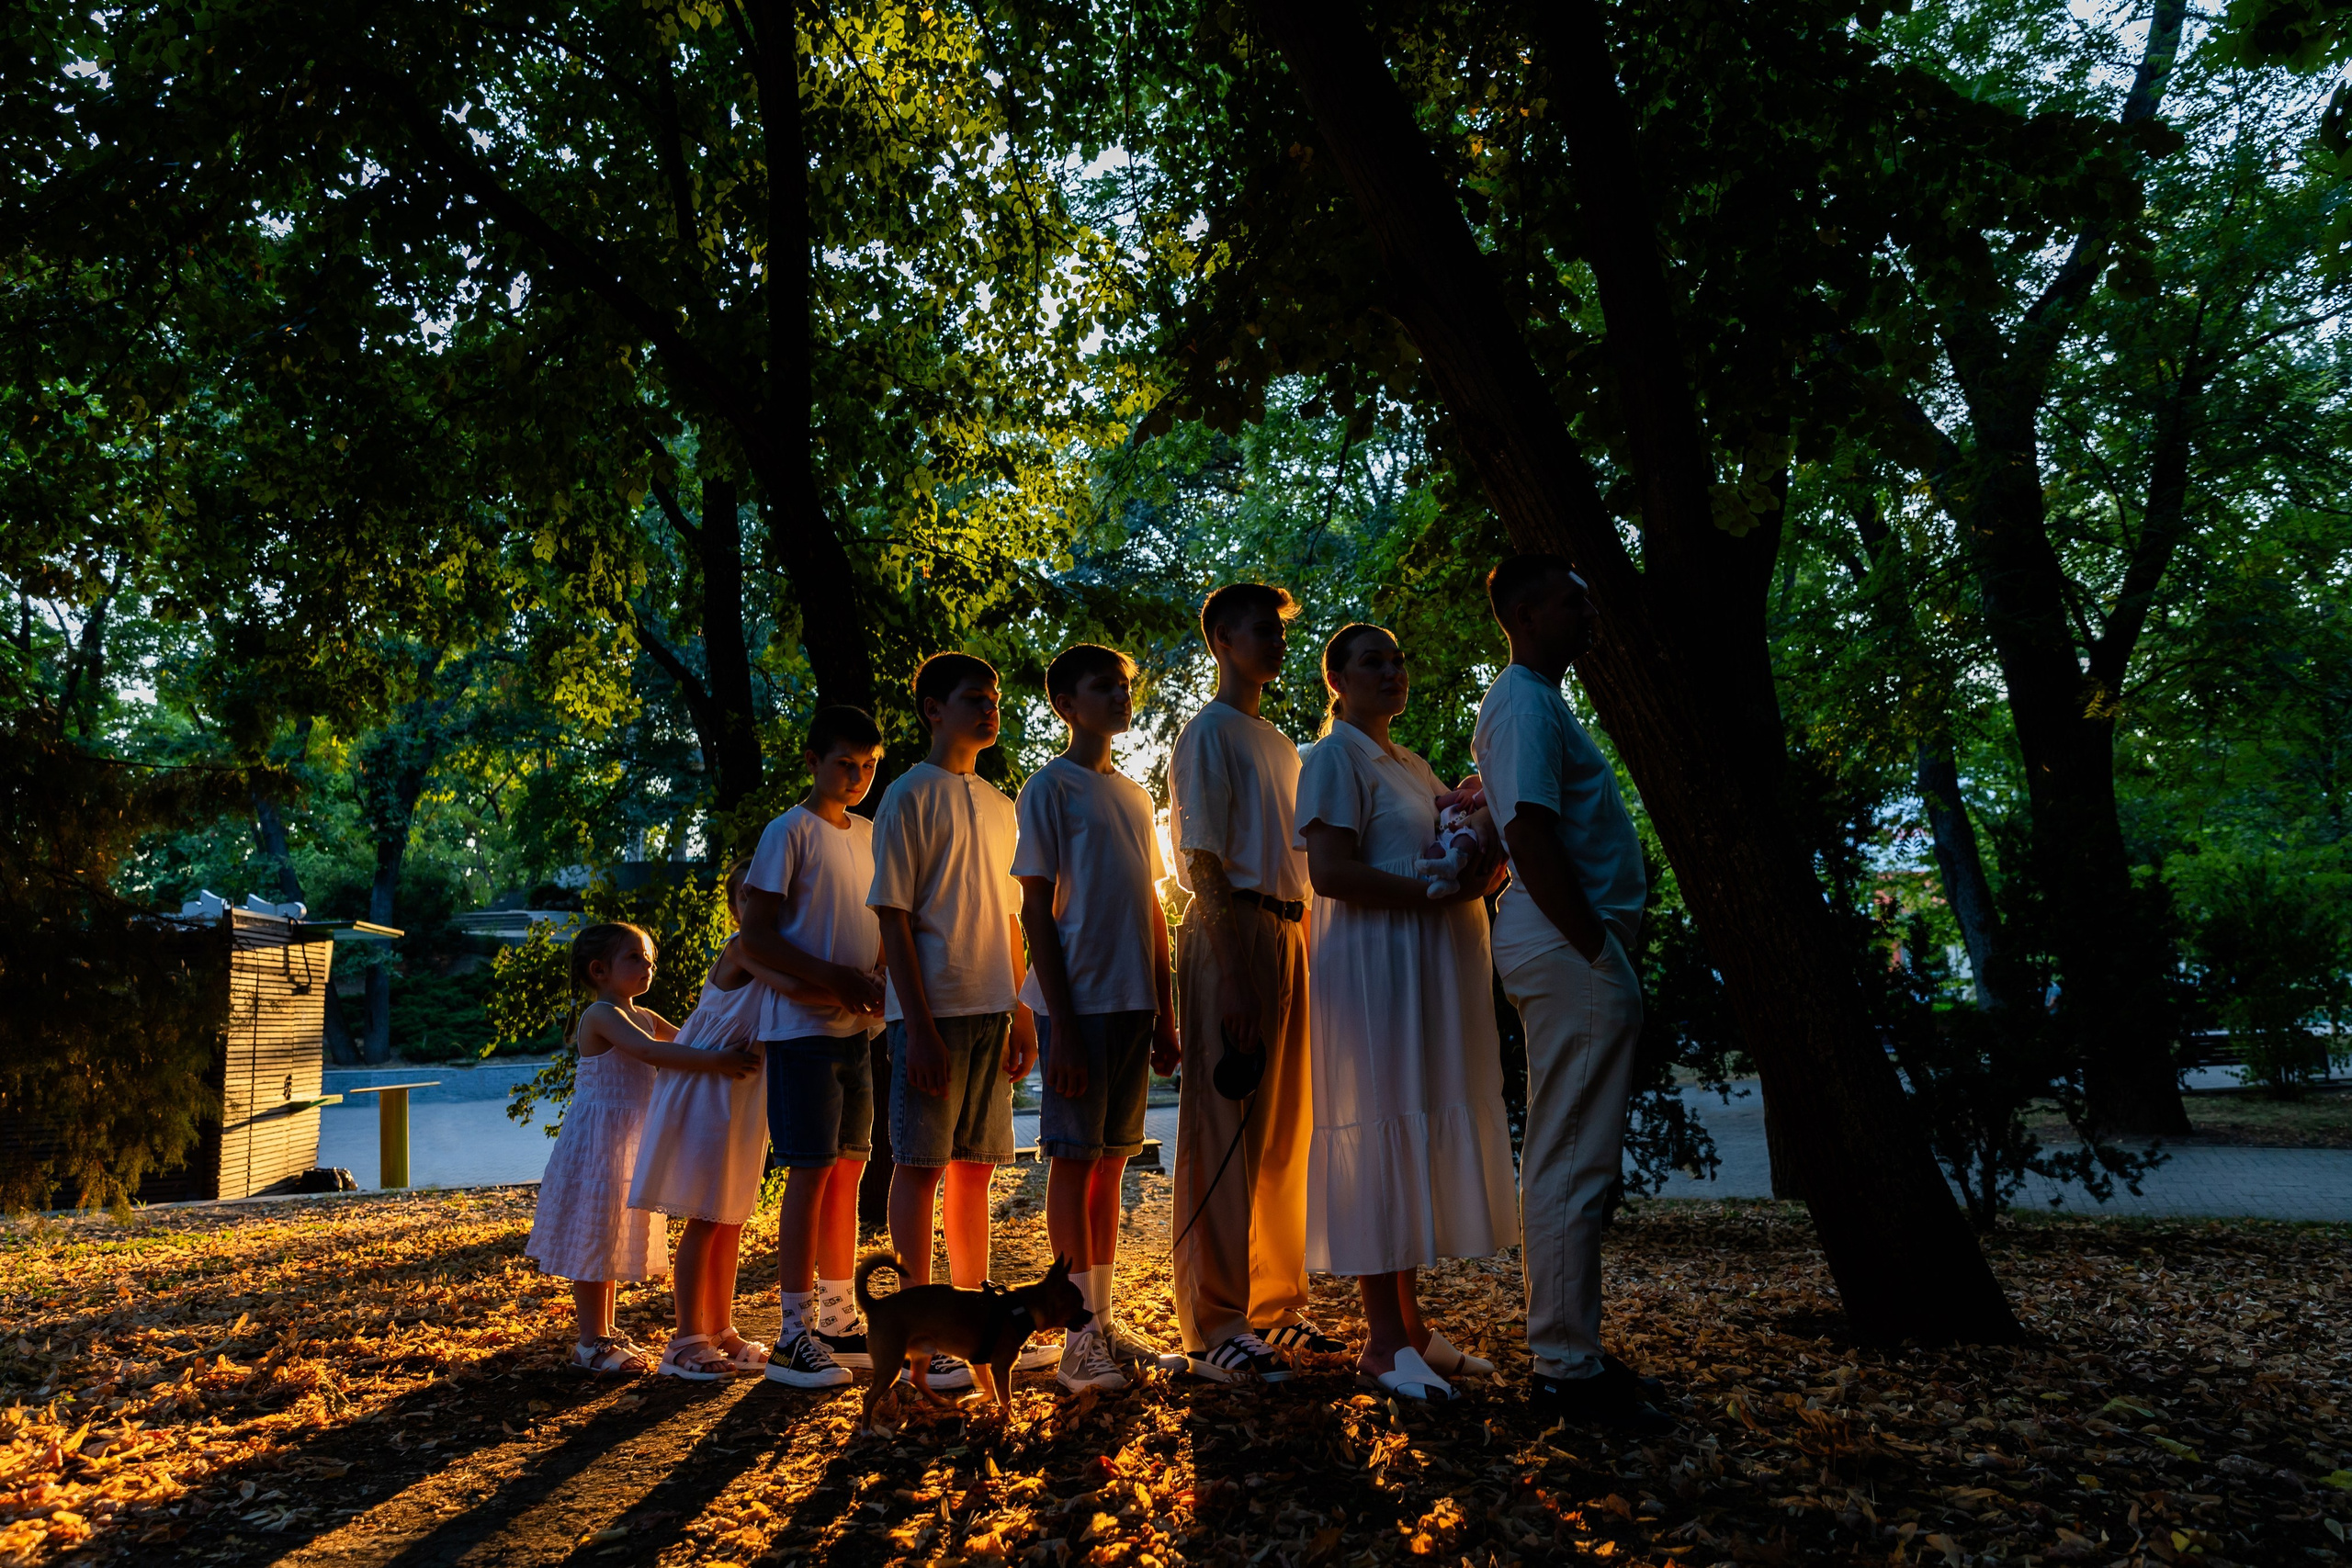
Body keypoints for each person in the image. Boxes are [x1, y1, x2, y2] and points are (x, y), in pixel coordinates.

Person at [1295, 623, 1519, 1402]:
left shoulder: (1414, 763)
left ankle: (1413, 1327)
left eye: (1398, 659)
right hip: (1375, 967)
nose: (1392, 671)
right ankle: (1382, 1342)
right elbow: (1330, 872)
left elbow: (1449, 848)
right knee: (1382, 1122)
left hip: (1426, 967)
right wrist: (1431, 893)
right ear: (1337, 679)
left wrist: (1478, 863)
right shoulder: (1333, 758)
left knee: (1414, 1123)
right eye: (1373, 661)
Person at [1472, 555, 1667, 1430]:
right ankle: (1563, 1370)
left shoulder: (1538, 701)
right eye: (1570, 601)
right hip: (1568, 949)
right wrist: (1595, 945)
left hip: (1572, 948)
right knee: (1571, 1157)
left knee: (1576, 1155)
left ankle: (1572, 1350)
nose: (1590, 613)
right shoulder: (1521, 700)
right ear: (1523, 614)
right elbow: (1527, 830)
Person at [1166, 581, 1342, 1382]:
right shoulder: (1208, 732)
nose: (1277, 640)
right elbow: (1201, 858)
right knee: (1224, 1127)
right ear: (1222, 641)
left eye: (1280, 629)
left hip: (1288, 930)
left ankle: (1276, 1306)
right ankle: (1216, 1322)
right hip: (1229, 930)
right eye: (1262, 629)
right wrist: (1234, 975)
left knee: (1283, 1131)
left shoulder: (1279, 743)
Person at [869, 652, 1054, 1387]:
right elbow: (892, 915)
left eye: (995, 697)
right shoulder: (907, 795)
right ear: (932, 710)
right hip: (933, 1014)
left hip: (991, 1009)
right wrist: (915, 1025)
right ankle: (919, 1337)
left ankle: (974, 1323)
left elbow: (1012, 918)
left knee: (976, 1169)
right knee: (919, 1168)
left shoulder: (1002, 804)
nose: (990, 707)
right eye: (975, 697)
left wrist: (1022, 1008)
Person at [1014, 643, 1181, 1393]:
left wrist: (1166, 1012)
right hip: (1076, 1006)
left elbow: (1153, 906)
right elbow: (1035, 910)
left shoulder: (1137, 797)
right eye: (1103, 686)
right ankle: (1076, 1339)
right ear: (1066, 703)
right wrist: (1064, 1022)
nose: (1120, 695)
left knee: (1112, 1161)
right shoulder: (1048, 788)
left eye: (1124, 685)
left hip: (1133, 1002)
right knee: (1073, 1160)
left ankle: (1103, 1321)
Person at [732, 705, 890, 1388]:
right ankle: (791, 1334)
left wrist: (876, 977)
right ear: (812, 761)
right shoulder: (787, 831)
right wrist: (833, 979)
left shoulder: (872, 833)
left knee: (850, 1169)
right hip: (800, 1032)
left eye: (869, 766)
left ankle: (836, 1318)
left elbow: (882, 921)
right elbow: (756, 936)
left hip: (858, 1029)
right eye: (845, 763)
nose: (857, 777)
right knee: (810, 1172)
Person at [525, 922, 760, 1374]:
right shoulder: (602, 1016)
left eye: (649, 958)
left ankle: (606, 1332)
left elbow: (690, 1038)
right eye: (634, 958)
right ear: (599, 970)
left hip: (630, 1142)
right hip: (598, 1145)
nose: (647, 966)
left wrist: (733, 1032)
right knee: (595, 1236)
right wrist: (717, 1062)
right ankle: (590, 1341)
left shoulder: (645, 1015)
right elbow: (652, 1053)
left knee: (612, 1235)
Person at [629, 860, 784, 1379]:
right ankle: (685, 1339)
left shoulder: (776, 949)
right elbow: (798, 985)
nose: (758, 905)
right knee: (704, 1214)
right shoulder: (743, 949)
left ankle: (721, 1328)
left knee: (729, 1215)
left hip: (742, 1093)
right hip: (706, 1089)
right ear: (735, 909)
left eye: (770, 895)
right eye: (747, 896)